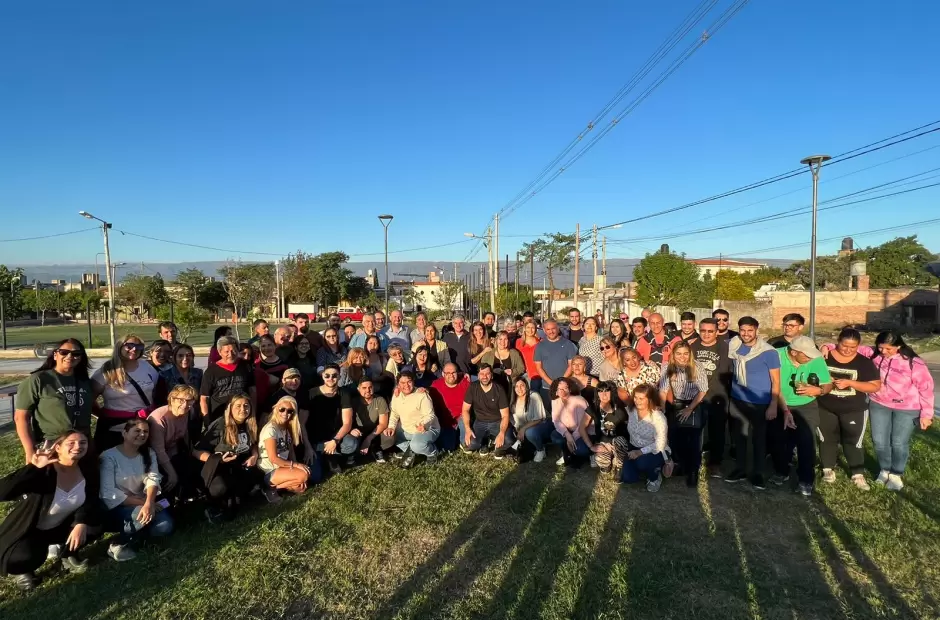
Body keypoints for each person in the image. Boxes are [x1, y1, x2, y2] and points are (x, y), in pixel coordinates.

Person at [0, 430, 100, 590]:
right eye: (71, 443)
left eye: (83, 443)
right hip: (29, 530)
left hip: (59, 526)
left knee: (95, 523)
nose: (78, 446)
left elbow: (91, 498)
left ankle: (68, 555)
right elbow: (3, 492)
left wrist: (80, 522)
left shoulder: (87, 470)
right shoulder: (45, 471)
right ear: (58, 448)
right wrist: (33, 468)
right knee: (24, 557)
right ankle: (22, 571)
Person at [864, 331, 934, 490]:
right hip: (879, 404)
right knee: (879, 441)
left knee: (898, 442)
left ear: (899, 346)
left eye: (888, 349)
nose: (884, 352)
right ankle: (885, 469)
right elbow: (852, 347)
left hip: (907, 408)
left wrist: (926, 415)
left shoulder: (914, 363)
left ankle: (896, 474)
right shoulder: (874, 354)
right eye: (880, 348)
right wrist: (827, 346)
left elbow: (926, 389)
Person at [99, 419, 174, 562]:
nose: (142, 434)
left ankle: (135, 536)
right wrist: (145, 504)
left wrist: (149, 502)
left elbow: (153, 479)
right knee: (143, 516)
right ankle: (119, 542)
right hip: (119, 506)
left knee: (165, 526)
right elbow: (108, 492)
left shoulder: (149, 453)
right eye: (137, 431)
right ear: (124, 433)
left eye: (145, 431)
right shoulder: (108, 456)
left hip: (146, 503)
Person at [816, 328, 881, 490]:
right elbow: (813, 375)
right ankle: (828, 469)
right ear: (838, 342)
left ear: (858, 346)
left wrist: (850, 383)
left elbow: (875, 386)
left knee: (853, 441)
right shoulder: (824, 357)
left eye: (853, 347)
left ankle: (857, 473)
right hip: (825, 407)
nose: (847, 350)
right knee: (826, 438)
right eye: (844, 345)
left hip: (854, 409)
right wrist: (826, 380)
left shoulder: (864, 362)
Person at [14, 339, 93, 464]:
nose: (69, 356)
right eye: (64, 352)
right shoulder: (38, 380)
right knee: (51, 476)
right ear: (55, 355)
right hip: (52, 444)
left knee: (84, 475)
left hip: (81, 443)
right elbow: (21, 418)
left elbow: (92, 407)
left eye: (76, 353)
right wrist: (29, 451)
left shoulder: (84, 381)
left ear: (81, 357)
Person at [724, 317, 781, 490]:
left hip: (759, 402)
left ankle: (758, 473)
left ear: (757, 330)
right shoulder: (735, 345)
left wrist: (773, 404)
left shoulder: (769, 352)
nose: (746, 334)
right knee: (739, 437)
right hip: (738, 399)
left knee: (759, 438)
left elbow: (776, 380)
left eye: (750, 330)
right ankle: (740, 469)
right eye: (742, 330)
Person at [773, 336, 832, 496]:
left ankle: (806, 480)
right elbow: (775, 386)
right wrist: (785, 411)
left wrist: (819, 390)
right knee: (779, 440)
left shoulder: (816, 359)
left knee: (806, 441)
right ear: (793, 352)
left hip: (806, 405)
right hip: (780, 403)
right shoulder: (776, 356)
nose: (810, 358)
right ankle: (781, 471)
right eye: (806, 356)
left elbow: (828, 384)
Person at [194, 394, 262, 521]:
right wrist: (218, 459)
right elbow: (196, 451)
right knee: (220, 488)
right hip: (219, 468)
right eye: (238, 406)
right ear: (230, 408)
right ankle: (213, 506)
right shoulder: (221, 424)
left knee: (258, 477)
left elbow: (253, 443)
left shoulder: (250, 423)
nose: (243, 409)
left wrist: (254, 455)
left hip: (239, 466)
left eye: (246, 406)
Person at [92, 335, 164, 452]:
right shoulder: (106, 371)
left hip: (143, 425)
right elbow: (89, 400)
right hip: (114, 429)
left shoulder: (147, 367)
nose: (134, 349)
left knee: (143, 458)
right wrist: (103, 415)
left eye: (139, 346)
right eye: (129, 346)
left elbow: (155, 392)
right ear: (119, 347)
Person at [659, 341, 709, 487]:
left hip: (694, 403)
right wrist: (662, 409)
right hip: (676, 403)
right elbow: (663, 390)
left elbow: (703, 390)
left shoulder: (697, 366)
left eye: (686, 353)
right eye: (679, 354)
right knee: (675, 437)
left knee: (693, 439)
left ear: (690, 354)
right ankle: (680, 465)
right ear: (673, 355)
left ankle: (693, 471)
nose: (682, 357)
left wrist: (690, 408)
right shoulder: (667, 367)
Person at [691, 318, 733, 478]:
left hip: (717, 396)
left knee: (717, 431)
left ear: (717, 332)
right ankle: (692, 461)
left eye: (710, 331)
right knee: (694, 430)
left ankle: (715, 463)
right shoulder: (692, 346)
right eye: (703, 330)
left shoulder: (725, 348)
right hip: (695, 395)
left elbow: (725, 371)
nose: (706, 334)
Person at [147, 385, 198, 502]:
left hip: (172, 451)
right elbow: (158, 451)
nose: (185, 405)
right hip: (153, 458)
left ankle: (184, 497)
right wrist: (172, 473)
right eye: (181, 400)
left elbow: (183, 435)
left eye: (189, 401)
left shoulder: (188, 412)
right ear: (172, 399)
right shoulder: (159, 419)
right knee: (171, 479)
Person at [258, 396, 313, 502]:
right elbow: (273, 458)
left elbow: (291, 452)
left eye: (290, 411)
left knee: (302, 482)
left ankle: (281, 487)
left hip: (282, 467)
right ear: (276, 409)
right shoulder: (271, 429)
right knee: (304, 475)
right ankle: (268, 488)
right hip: (270, 470)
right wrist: (296, 466)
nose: (285, 413)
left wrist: (297, 467)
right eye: (282, 409)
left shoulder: (286, 429)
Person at [305, 364, 357, 474]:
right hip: (315, 438)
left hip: (334, 435)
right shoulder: (311, 393)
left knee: (351, 443)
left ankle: (331, 456)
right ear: (322, 376)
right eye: (327, 375)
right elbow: (301, 423)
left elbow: (347, 423)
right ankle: (327, 455)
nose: (330, 378)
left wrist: (335, 440)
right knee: (315, 476)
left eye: (334, 375)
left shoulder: (344, 394)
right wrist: (307, 446)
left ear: (339, 377)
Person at [200, 335, 257, 433]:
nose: (230, 354)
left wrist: (253, 413)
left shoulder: (245, 367)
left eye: (233, 350)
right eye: (226, 351)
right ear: (220, 352)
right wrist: (207, 421)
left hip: (242, 416)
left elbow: (253, 392)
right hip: (219, 418)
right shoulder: (211, 371)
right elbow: (204, 399)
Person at [385, 371, 441, 467]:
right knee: (389, 437)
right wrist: (391, 427)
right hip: (407, 429)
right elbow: (394, 413)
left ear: (413, 382)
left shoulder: (421, 394)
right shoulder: (396, 395)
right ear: (398, 384)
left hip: (427, 428)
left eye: (409, 382)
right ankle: (412, 451)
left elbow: (430, 415)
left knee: (416, 445)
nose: (406, 385)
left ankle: (432, 452)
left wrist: (424, 425)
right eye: (402, 383)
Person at [621, 384, 670, 492]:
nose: (637, 401)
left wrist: (640, 452)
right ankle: (642, 467)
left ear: (650, 399)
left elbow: (660, 443)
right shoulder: (631, 411)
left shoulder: (658, 417)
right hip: (633, 446)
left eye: (641, 398)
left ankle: (655, 476)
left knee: (642, 463)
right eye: (635, 397)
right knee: (628, 478)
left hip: (655, 450)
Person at [460, 364, 513, 458]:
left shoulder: (499, 389)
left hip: (497, 421)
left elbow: (505, 415)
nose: (484, 377)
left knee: (508, 440)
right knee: (470, 445)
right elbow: (465, 409)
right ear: (478, 375)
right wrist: (467, 429)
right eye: (482, 374)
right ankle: (484, 442)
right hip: (480, 422)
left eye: (487, 374)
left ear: (491, 375)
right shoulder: (472, 387)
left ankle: (495, 444)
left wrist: (501, 433)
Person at [340, 377, 392, 462]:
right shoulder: (353, 401)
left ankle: (374, 448)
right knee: (350, 441)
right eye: (364, 388)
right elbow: (346, 421)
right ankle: (354, 452)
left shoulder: (380, 400)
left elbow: (383, 424)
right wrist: (351, 430)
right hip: (358, 431)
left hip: (374, 430)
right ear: (358, 389)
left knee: (389, 437)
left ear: (373, 388)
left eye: (370, 387)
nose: (368, 390)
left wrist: (368, 439)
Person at [582, 381, 628, 473]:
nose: (604, 395)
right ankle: (607, 463)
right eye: (600, 391)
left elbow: (628, 425)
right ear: (597, 393)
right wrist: (591, 446)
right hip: (602, 443)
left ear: (612, 392)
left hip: (619, 442)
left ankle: (618, 463)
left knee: (620, 443)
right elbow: (581, 427)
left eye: (607, 391)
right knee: (602, 461)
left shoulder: (620, 407)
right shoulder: (593, 408)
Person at [547, 377, 592, 465]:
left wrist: (572, 438)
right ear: (556, 391)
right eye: (559, 388)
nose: (562, 391)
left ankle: (590, 454)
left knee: (581, 450)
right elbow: (556, 421)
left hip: (583, 431)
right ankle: (566, 453)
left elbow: (582, 425)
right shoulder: (555, 401)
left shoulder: (579, 400)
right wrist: (567, 435)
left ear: (570, 389)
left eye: (565, 388)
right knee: (555, 436)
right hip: (568, 431)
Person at [533, 320, 578, 408]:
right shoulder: (540, 346)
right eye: (548, 329)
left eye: (553, 328)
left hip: (565, 387)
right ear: (544, 330)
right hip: (547, 387)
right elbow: (538, 367)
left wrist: (561, 383)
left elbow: (571, 365)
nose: (551, 331)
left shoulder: (568, 344)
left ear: (558, 328)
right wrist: (552, 383)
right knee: (549, 413)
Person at [429, 363, 470, 452]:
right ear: (443, 374)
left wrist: (465, 374)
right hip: (446, 422)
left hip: (462, 418)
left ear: (457, 373)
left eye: (453, 372)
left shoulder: (465, 382)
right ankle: (455, 438)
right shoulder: (436, 385)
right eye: (448, 373)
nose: (451, 375)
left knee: (470, 444)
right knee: (448, 447)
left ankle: (464, 442)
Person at [507, 376, 548, 458]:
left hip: (541, 425)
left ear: (526, 386)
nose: (519, 388)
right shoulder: (513, 401)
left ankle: (541, 450)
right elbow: (515, 421)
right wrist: (518, 430)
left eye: (522, 385)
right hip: (524, 429)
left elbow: (539, 419)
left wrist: (523, 429)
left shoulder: (534, 396)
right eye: (516, 386)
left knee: (530, 432)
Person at [481, 331, 526, 398]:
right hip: (493, 386)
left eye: (505, 339)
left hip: (509, 386)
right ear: (496, 340)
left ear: (508, 341)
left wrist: (512, 371)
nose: (503, 342)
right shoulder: (489, 353)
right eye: (500, 339)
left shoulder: (514, 353)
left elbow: (522, 368)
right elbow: (482, 368)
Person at [515, 320, 542, 393]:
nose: (530, 330)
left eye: (532, 328)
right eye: (528, 327)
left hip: (537, 375)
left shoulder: (541, 342)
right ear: (524, 328)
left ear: (536, 329)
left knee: (534, 396)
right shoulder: (518, 342)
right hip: (523, 374)